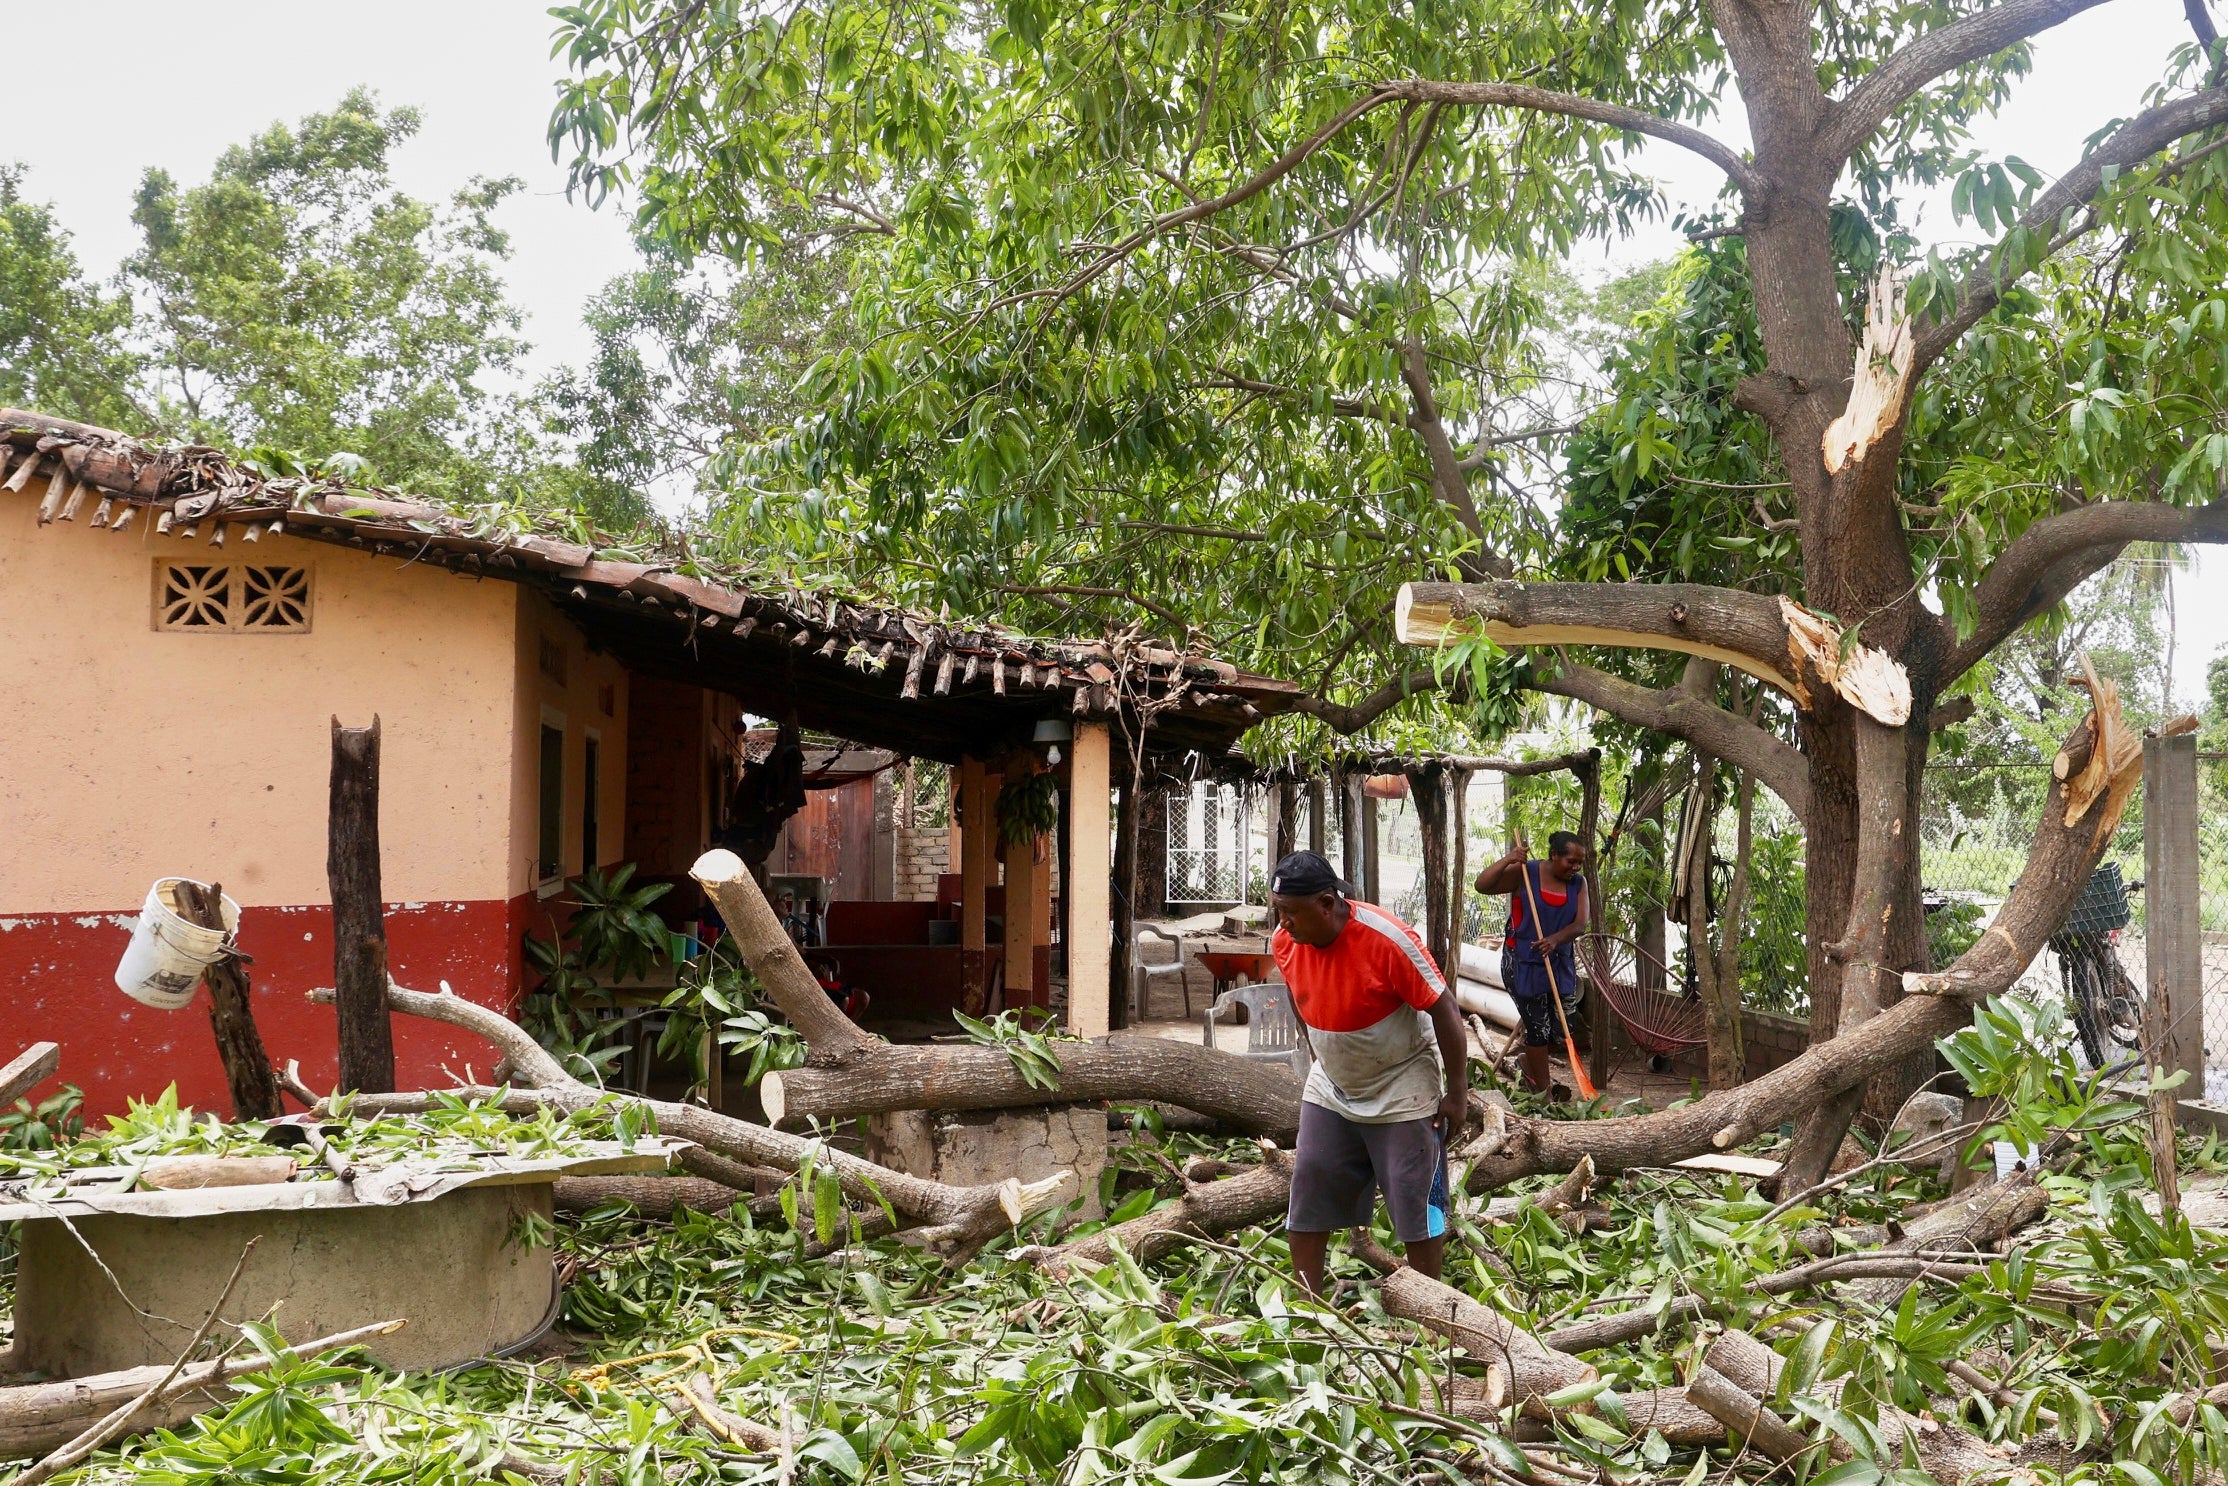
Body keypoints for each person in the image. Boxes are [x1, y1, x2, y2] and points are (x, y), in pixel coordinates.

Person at [1267, 850, 1469, 1294]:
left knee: (1412, 1193)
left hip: (1402, 1080)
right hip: (1334, 1084)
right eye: (1278, 912)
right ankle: (1310, 1306)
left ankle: (1427, 1307)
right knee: (1311, 1181)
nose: (1283, 924)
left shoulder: (1388, 940)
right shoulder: (1286, 944)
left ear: (1325, 903)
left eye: (1291, 913)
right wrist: (1322, 1057)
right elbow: (1302, 1003)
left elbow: (1446, 1010)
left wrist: (1457, 1093)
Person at [1475, 830, 1589, 1096]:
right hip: (1522, 963)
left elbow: (1580, 924)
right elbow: (1482, 886)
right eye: (1570, 861)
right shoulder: (1526, 872)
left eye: (1579, 863)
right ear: (1554, 855)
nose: (1575, 867)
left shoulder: (1578, 883)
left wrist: (1555, 939)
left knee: (1560, 1028)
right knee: (1537, 1028)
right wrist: (1509, 860)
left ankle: (1527, 1064)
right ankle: (1544, 1093)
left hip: (1559, 963)